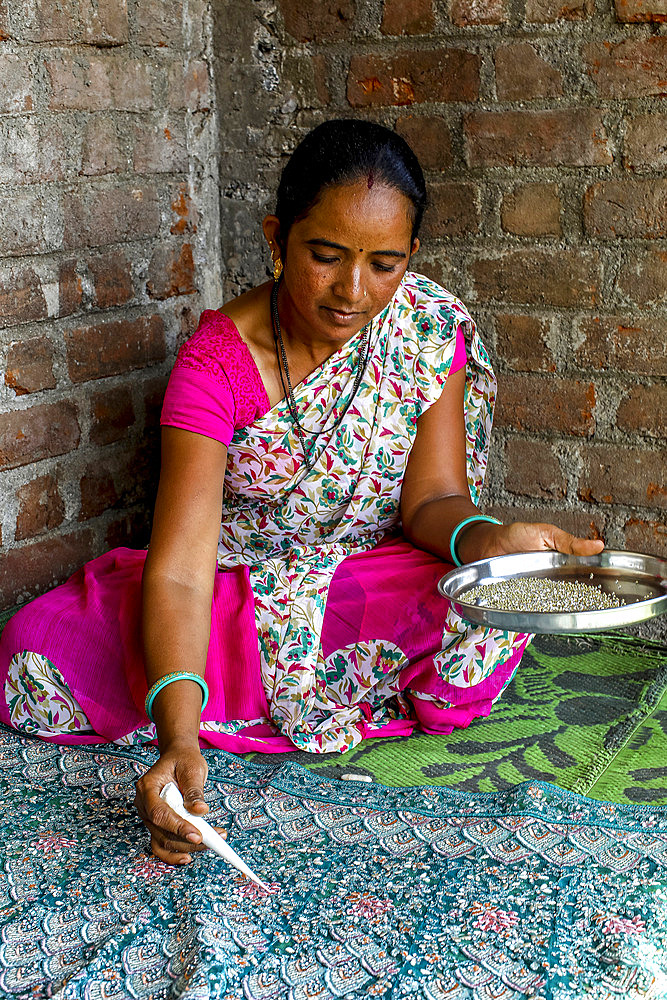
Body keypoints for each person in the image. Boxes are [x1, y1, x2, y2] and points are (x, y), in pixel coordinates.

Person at [0, 119, 604, 864]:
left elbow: (431, 506)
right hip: (237, 587)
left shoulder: (424, 328)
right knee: (36, 654)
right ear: (276, 238)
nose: (353, 292)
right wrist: (178, 744)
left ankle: (251, 684)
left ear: (411, 256)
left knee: (484, 603)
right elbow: (184, 569)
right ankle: (219, 697)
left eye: (384, 264)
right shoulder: (216, 365)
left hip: (363, 577)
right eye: (325, 256)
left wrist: (490, 542)